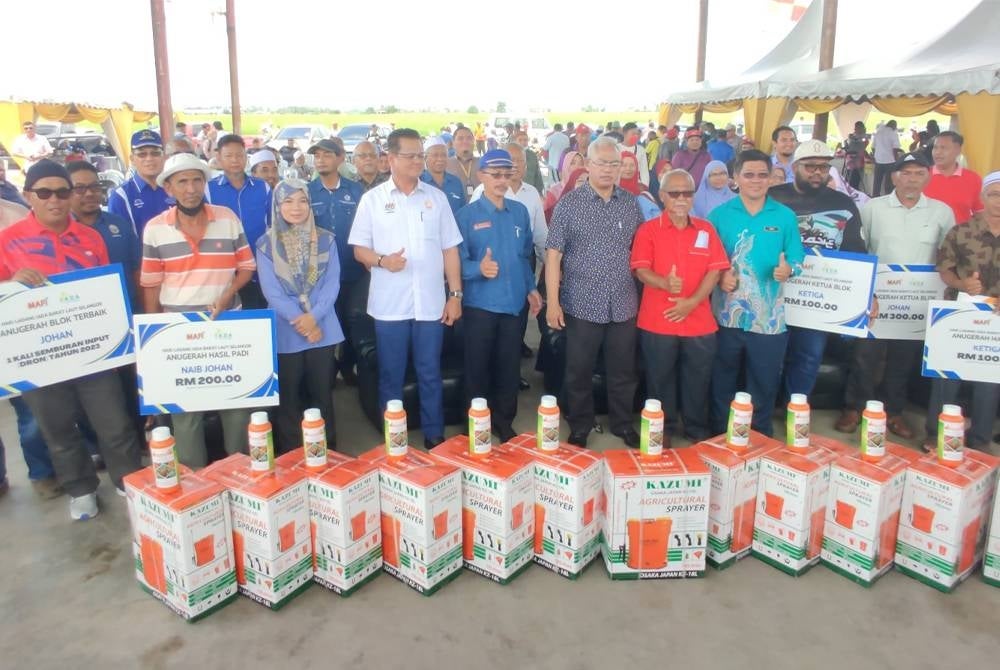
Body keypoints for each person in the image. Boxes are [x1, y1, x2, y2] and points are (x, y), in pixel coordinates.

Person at [0, 160, 143, 519]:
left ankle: (127, 482)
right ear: (29, 195)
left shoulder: (91, 237)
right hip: (42, 358)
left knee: (114, 423)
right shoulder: (8, 240)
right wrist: (12, 282)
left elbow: (104, 291)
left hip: (93, 352)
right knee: (59, 429)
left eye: (63, 191)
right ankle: (80, 489)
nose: (55, 200)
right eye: (44, 192)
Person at [348, 129, 463, 448]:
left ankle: (434, 433)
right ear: (391, 159)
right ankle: (394, 438)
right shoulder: (373, 200)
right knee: (391, 375)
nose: (417, 161)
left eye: (420, 155)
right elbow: (359, 249)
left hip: (430, 303)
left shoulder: (435, 198)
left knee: (430, 371)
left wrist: (455, 295)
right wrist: (383, 261)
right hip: (390, 306)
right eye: (410, 155)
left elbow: (450, 249)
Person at [140, 153, 256, 468]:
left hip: (227, 324)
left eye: (196, 180)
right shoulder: (155, 229)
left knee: (235, 405)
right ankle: (195, 481)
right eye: (182, 182)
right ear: (169, 189)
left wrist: (227, 293)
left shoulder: (227, 218)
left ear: (204, 183)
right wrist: (151, 339)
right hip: (179, 332)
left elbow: (246, 267)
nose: (191, 188)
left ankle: (239, 472)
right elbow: (151, 284)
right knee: (185, 413)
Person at [835, 152, 954, 438]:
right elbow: (859, 248)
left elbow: (948, 252)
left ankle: (895, 411)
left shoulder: (941, 211)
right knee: (865, 355)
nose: (911, 179)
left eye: (918, 173)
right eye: (906, 173)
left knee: (903, 358)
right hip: (876, 295)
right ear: (893, 177)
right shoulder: (874, 208)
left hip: (917, 300)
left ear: (927, 176)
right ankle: (855, 407)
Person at [545, 137, 643, 448]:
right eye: (601, 163)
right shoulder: (570, 204)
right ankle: (580, 425)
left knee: (623, 370)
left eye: (614, 164)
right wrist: (553, 303)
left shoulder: (630, 203)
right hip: (581, 302)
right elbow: (553, 255)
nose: (608, 170)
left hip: (624, 302)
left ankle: (623, 423)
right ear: (588, 165)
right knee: (579, 370)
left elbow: (640, 249)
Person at [710, 150, 805, 437]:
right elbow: (707, 261)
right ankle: (719, 432)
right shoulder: (719, 215)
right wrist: (719, 276)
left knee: (763, 381)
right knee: (722, 379)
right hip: (726, 317)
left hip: (770, 320)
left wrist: (789, 270)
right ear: (735, 178)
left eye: (762, 175)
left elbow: (798, 258)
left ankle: (761, 435)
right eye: (748, 175)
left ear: (771, 178)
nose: (756, 181)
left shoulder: (785, 216)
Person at [631, 169, 730, 443]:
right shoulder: (648, 230)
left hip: (698, 321)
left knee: (698, 379)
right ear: (662, 196)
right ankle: (663, 430)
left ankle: (696, 429)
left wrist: (692, 302)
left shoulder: (706, 229)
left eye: (687, 193)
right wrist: (664, 283)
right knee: (659, 379)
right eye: (674, 193)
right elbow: (641, 270)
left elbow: (715, 270)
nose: (681, 198)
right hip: (657, 320)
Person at [769, 139, 867, 400]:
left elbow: (856, 250)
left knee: (809, 355)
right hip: (774, 291)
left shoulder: (843, 204)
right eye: (810, 166)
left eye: (823, 167)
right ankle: (768, 407)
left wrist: (867, 296)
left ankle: (796, 407)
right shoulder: (775, 197)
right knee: (770, 354)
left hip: (818, 298)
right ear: (796, 167)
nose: (817, 172)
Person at [456, 150, 542, 441]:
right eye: (496, 175)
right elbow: (455, 262)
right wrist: (477, 268)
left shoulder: (518, 212)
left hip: (514, 304)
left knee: (508, 366)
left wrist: (531, 288)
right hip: (481, 305)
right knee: (477, 367)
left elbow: (524, 255)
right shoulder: (466, 216)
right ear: (481, 176)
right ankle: (476, 423)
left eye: (507, 174)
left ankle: (505, 421)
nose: (502, 181)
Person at [256, 179, 342, 452]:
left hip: (323, 324)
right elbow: (273, 293)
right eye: (288, 201)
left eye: (302, 200)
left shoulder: (326, 239)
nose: (296, 207)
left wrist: (314, 317)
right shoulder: (266, 244)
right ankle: (291, 454)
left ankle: (328, 451)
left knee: (322, 394)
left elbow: (332, 284)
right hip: (287, 328)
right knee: (289, 397)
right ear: (277, 206)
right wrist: (305, 323)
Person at [923, 172, 1000, 452]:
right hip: (958, 314)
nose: (999, 201)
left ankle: (980, 441)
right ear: (982, 198)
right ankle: (936, 434)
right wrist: (962, 283)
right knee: (946, 376)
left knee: (989, 381)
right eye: (994, 194)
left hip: (995, 322)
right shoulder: (962, 231)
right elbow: (944, 269)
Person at [306, 138, 364, 386]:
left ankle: (348, 368)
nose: (320, 159)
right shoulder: (306, 192)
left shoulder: (356, 191)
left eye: (327, 154)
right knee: (325, 322)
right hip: (319, 276)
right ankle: (326, 374)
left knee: (353, 323)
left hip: (353, 271)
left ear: (341, 158)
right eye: (317, 155)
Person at [207, 134, 272, 310]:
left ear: (246, 157)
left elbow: (273, 225)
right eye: (229, 156)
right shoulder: (208, 189)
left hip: (259, 266)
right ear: (219, 158)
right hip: (223, 268)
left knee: (257, 313)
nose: (235, 160)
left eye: (240, 155)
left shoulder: (262, 187)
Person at [107, 129, 170, 241]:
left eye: (155, 153)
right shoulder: (121, 196)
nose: (149, 159)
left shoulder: (176, 188)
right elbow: (120, 239)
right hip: (141, 257)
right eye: (142, 154)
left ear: (164, 157)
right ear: (132, 159)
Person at [924, 131, 983, 225]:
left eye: (944, 148)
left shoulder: (973, 179)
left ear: (958, 150)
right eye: (935, 148)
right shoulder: (922, 176)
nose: (938, 152)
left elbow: (980, 212)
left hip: (961, 236)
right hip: (926, 237)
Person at [421, 137, 467, 215]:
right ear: (425, 158)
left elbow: (463, 212)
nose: (440, 159)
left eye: (444, 155)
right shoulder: (419, 182)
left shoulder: (456, 182)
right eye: (435, 155)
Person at [618, 152, 660, 221]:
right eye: (624, 165)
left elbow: (657, 218)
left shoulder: (643, 191)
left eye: (632, 165)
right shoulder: (610, 191)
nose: (628, 168)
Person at [446, 126, 480, 199]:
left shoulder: (483, 163)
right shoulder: (445, 165)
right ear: (453, 143)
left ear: (474, 141)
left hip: (480, 208)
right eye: (460, 138)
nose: (465, 141)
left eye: (469, 138)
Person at [872, 120, 902, 197]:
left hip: (878, 161)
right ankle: (888, 199)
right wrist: (897, 160)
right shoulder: (893, 133)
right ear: (894, 126)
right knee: (889, 184)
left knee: (877, 183)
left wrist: (876, 156)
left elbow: (873, 147)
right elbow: (895, 149)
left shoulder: (878, 132)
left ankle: (875, 198)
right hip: (890, 161)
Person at [621, 123, 650, 187]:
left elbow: (644, 171)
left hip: (635, 185)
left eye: (637, 134)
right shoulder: (616, 148)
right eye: (633, 134)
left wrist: (645, 187)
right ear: (624, 134)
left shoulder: (641, 150)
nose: (636, 136)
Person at [842, 121, 869, 190]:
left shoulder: (864, 136)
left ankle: (854, 190)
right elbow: (847, 144)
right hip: (850, 160)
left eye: (858, 127)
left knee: (856, 178)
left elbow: (864, 144)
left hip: (859, 160)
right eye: (856, 128)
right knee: (849, 177)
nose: (856, 129)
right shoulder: (852, 136)